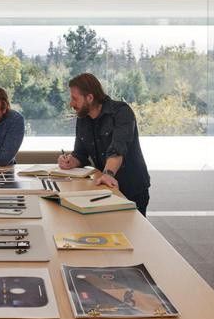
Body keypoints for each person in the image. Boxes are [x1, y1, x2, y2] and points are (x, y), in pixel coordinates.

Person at [57, 73, 151, 216]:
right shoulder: (83, 118)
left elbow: (117, 150)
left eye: (74, 99)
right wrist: (71, 161)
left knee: (132, 235)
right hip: (104, 188)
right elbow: (80, 154)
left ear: (89, 97)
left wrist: (107, 174)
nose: (71, 104)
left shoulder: (121, 112)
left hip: (131, 188)